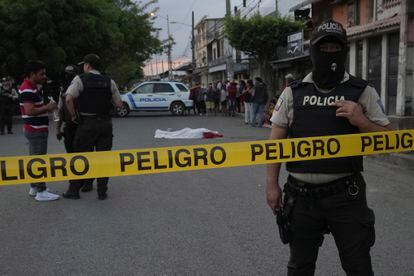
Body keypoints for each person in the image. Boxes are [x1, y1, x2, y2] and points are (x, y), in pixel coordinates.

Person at [266, 19, 391, 275]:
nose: (330, 54)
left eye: (336, 48)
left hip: (346, 195)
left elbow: (388, 141)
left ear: (344, 51)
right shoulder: (293, 93)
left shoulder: (362, 91)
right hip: (301, 197)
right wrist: (271, 186)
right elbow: (274, 144)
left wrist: (361, 120)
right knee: (300, 266)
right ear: (313, 51)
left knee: (358, 267)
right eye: (324, 49)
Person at [63, 54, 122, 200]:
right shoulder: (109, 81)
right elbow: (119, 104)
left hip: (87, 123)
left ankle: (74, 190)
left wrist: (74, 116)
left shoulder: (80, 79)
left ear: (88, 65)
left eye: (84, 65)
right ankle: (102, 192)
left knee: (80, 156)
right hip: (105, 124)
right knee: (103, 157)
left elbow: (69, 98)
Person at [18, 61, 60, 201]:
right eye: (41, 73)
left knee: (34, 158)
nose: (44, 76)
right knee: (39, 160)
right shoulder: (27, 89)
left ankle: (34, 187)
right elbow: (30, 111)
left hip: (35, 129)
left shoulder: (31, 87)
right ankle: (41, 191)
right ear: (32, 74)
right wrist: (48, 107)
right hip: (35, 130)